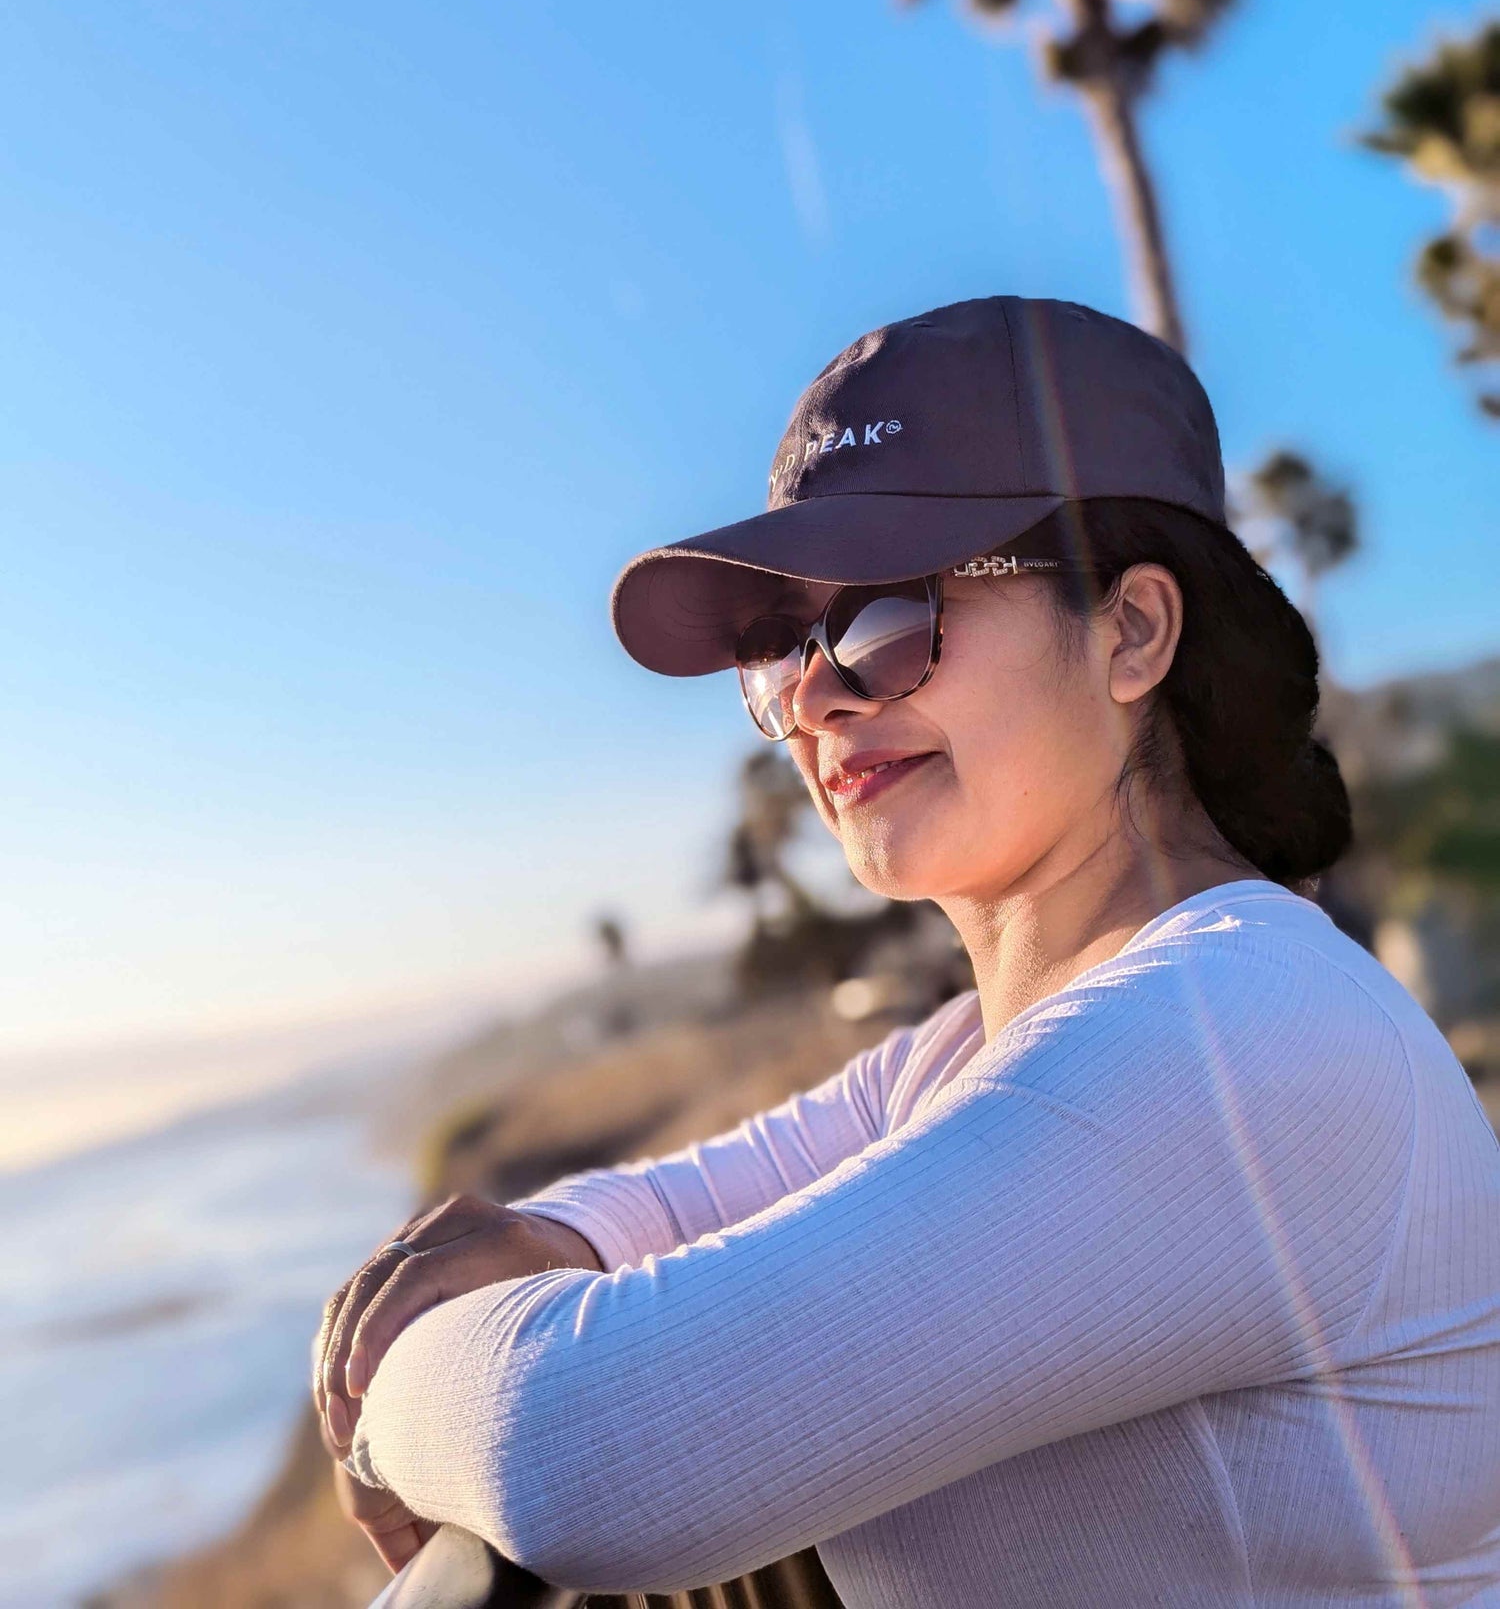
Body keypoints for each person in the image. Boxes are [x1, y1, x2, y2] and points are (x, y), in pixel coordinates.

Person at [315, 297, 1500, 1605]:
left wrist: (390, 1387)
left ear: (1133, 632)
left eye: (889, 615)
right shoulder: (967, 1056)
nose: (819, 697)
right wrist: (538, 1255)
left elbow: (588, 1456)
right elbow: (650, 1215)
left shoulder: (1241, 1036)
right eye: (780, 651)